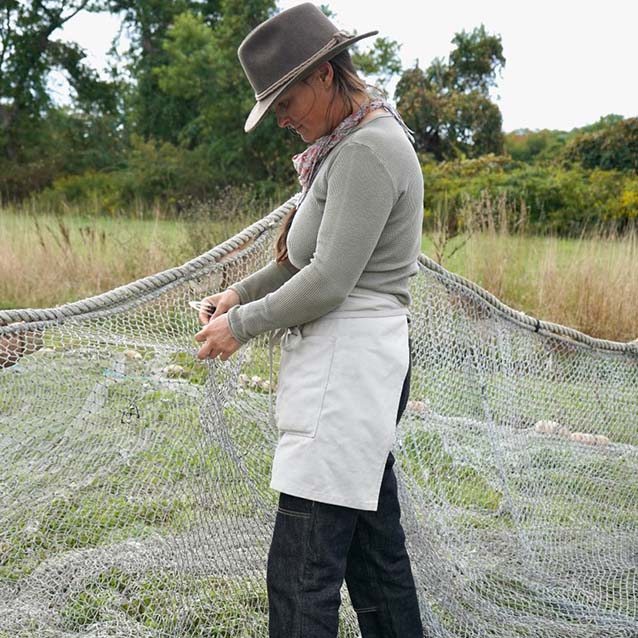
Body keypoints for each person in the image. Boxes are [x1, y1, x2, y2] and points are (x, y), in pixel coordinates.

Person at [194, 3, 424, 636]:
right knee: (372, 559)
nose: (283, 120)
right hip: (347, 368)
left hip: (348, 373)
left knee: (301, 572)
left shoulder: (367, 152)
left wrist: (239, 329)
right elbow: (308, 264)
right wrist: (239, 294)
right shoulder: (346, 145)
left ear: (325, 75)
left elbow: (328, 281)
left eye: (286, 101)